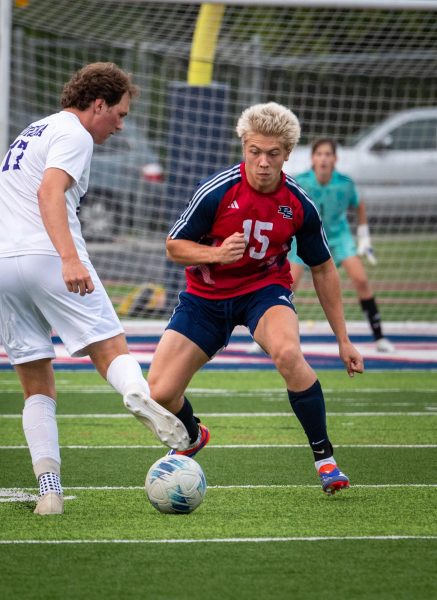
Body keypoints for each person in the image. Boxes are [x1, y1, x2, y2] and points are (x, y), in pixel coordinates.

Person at [0, 62, 189, 516]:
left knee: (37, 386)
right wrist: (70, 258)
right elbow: (49, 193)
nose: (121, 124)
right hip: (47, 256)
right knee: (110, 348)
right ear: (98, 104)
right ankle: (136, 394)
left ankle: (50, 492)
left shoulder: (34, 130)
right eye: (121, 113)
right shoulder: (75, 134)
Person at [147, 102, 364, 495]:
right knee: (160, 392)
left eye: (273, 154)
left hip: (263, 292)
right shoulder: (216, 191)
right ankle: (194, 435)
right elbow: (174, 247)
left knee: (287, 352)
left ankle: (325, 458)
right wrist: (215, 254)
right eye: (255, 152)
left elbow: (323, 268)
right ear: (244, 146)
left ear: (287, 154)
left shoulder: (298, 203)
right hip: (205, 298)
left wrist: (343, 338)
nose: (263, 162)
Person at [249, 137, 394, 354]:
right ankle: (265, 336)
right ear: (312, 158)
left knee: (361, 280)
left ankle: (379, 337)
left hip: (338, 237)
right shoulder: (301, 182)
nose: (323, 159)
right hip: (305, 238)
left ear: (335, 159)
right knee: (287, 285)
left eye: (328, 154)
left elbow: (359, 204)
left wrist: (364, 237)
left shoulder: (345, 183)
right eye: (319, 154)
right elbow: (283, 205)